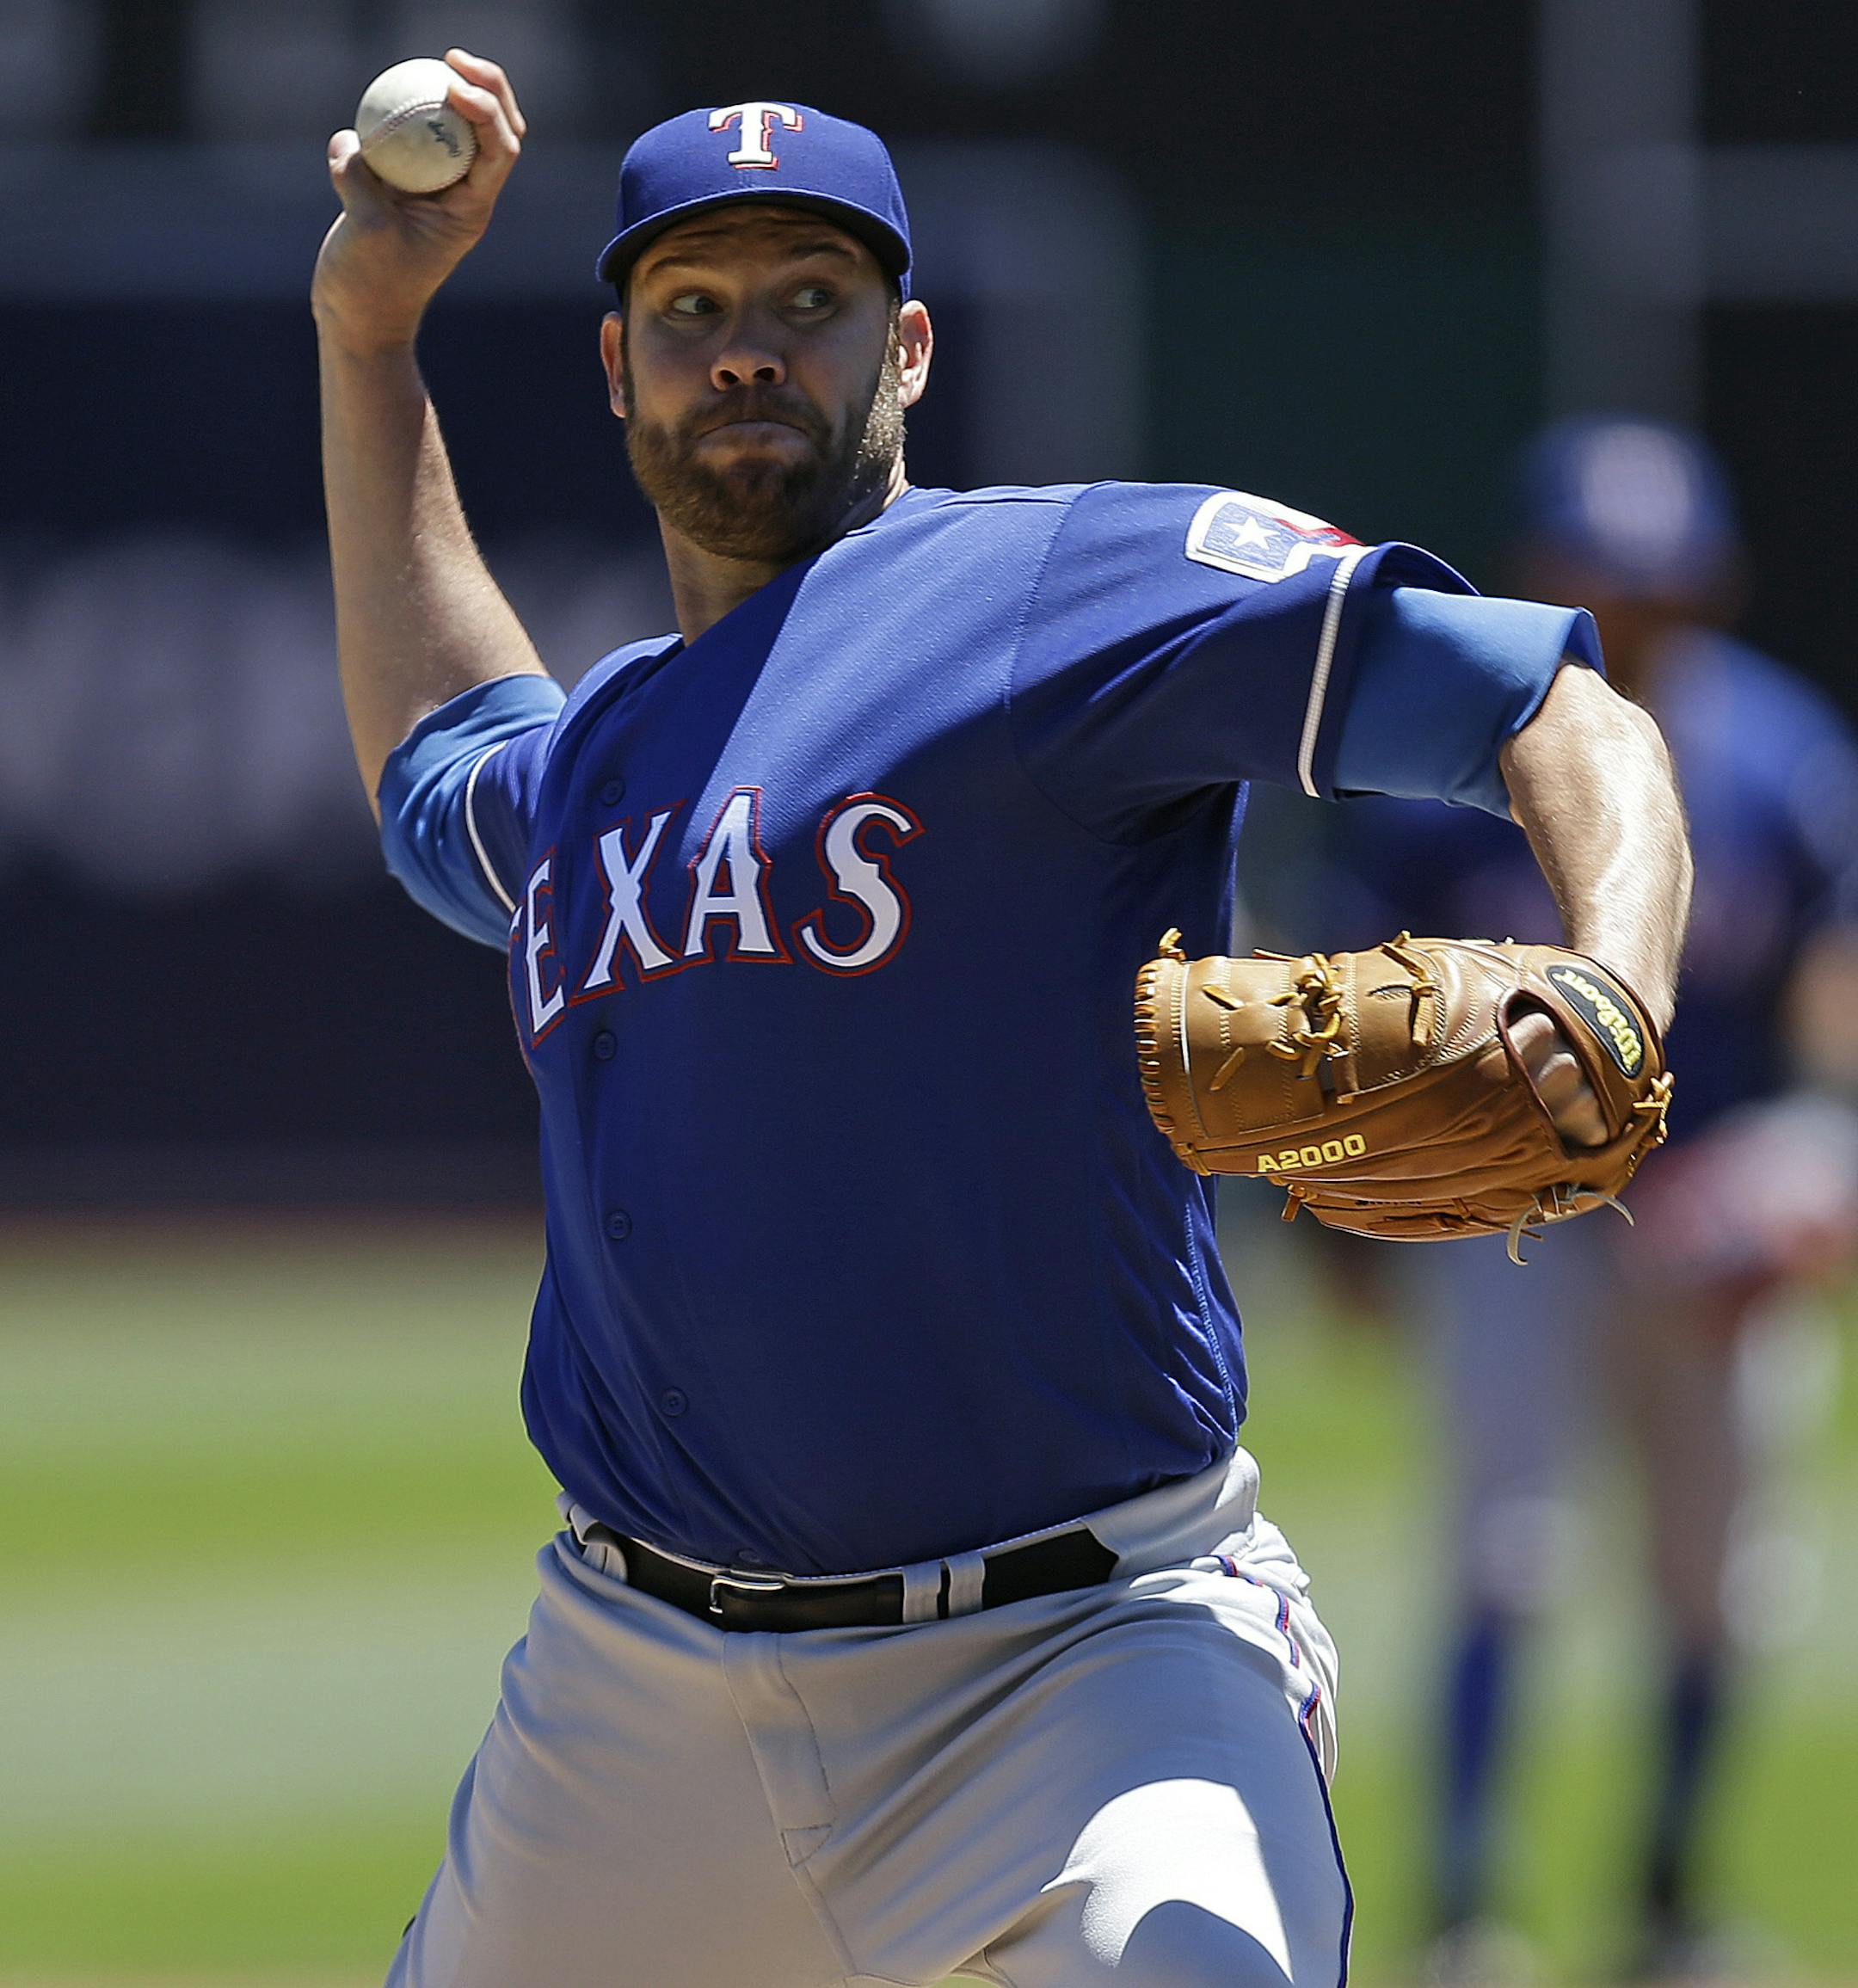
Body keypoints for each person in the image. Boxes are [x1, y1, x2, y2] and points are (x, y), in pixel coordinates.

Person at [312, 54, 1691, 1988]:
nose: (749, 354)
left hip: (1082, 1656)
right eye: (693, 312)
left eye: (813, 302)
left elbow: (1555, 714)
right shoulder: (601, 755)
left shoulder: (1059, 588)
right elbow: (442, 755)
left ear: (913, 349)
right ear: (617, 365)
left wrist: (1618, 978)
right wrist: (370, 337)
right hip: (632, 1696)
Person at [1313, 418, 1858, 1984]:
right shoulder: (1451, 757)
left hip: (1713, 1208)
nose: (1638, 612)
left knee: (1717, 1573)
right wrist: (1353, 1199)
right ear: (1542, 582)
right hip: (1514, 1211)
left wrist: (1817, 1154)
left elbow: (1827, 976)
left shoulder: (1780, 754)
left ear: (1715, 585)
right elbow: (1360, 988)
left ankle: (1671, 1907)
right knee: (1506, 1550)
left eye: (1662, 583)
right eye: (1603, 581)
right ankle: (1470, 1914)